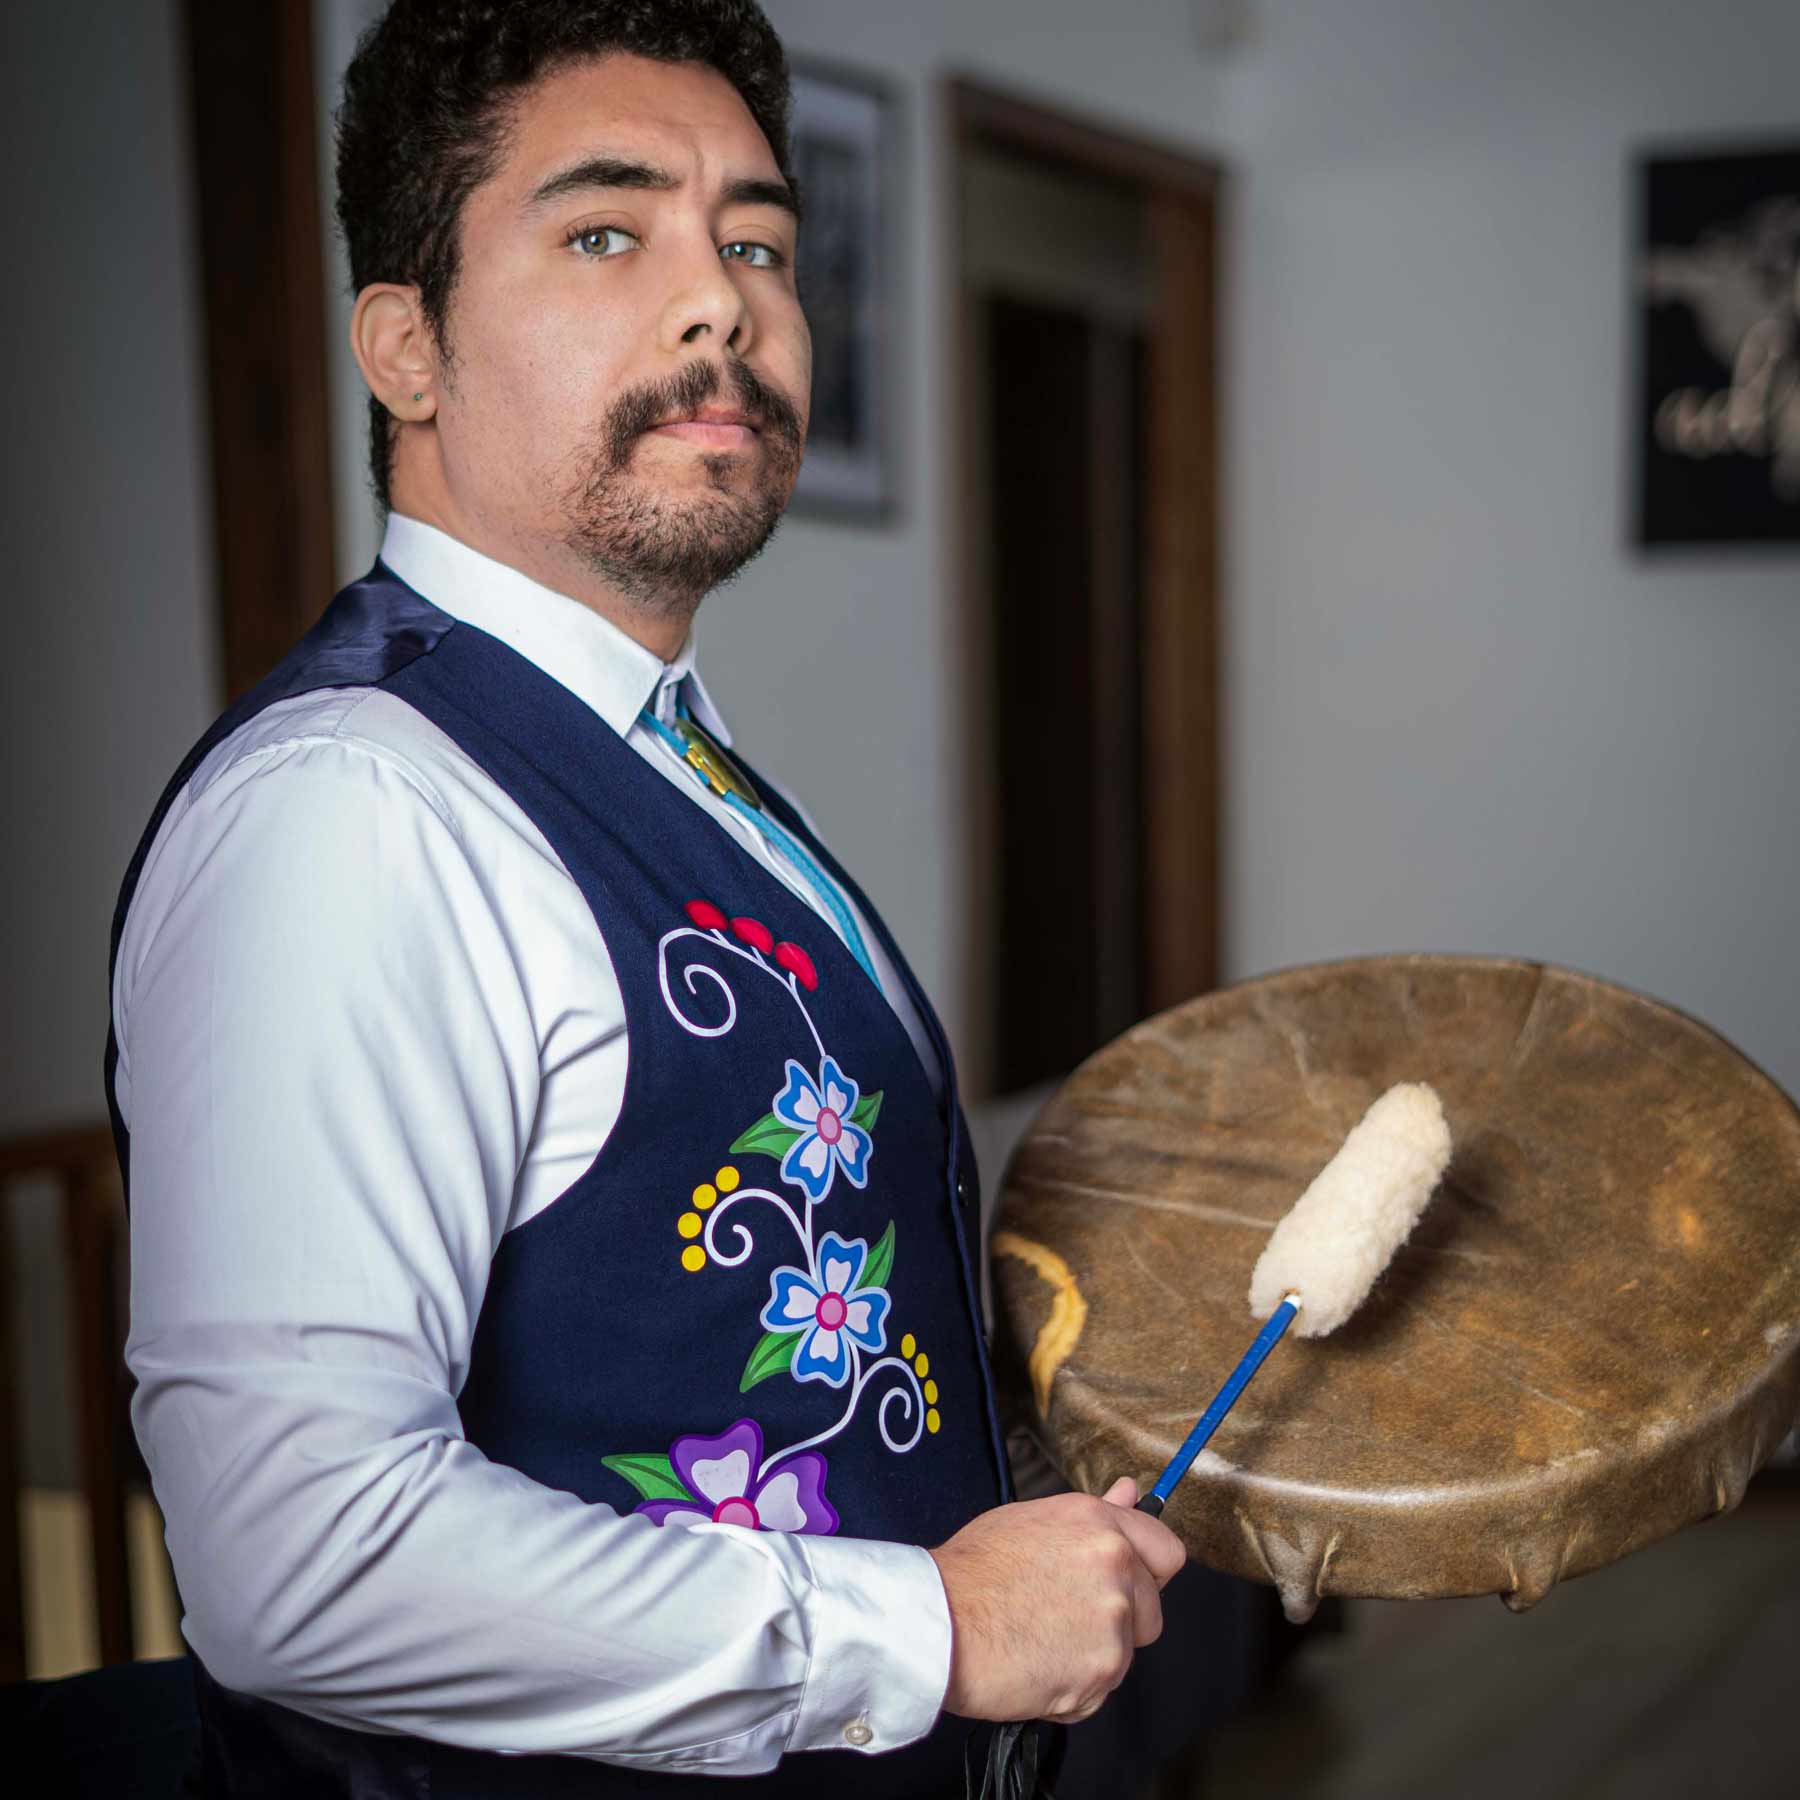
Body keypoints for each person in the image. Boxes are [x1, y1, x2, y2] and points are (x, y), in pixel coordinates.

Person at [106, 3, 1195, 1795]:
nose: (722, 304)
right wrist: (923, 1629)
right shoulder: (353, 813)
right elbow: (298, 1563)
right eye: (607, 233)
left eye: (755, 241)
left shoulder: (657, 748)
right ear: (406, 348)